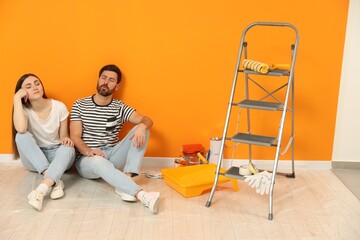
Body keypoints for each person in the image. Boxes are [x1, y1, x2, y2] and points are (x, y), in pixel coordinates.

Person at [69, 64, 160, 214]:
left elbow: (147, 119)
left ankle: (127, 177)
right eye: (103, 78)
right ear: (98, 80)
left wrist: (142, 127)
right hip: (87, 160)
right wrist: (89, 151)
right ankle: (142, 195)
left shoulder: (120, 107)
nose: (106, 82)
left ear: (117, 86)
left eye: (111, 80)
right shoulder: (80, 104)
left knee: (143, 129)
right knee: (98, 161)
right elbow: (75, 136)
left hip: (111, 154)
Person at [12, 73, 76, 211]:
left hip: (57, 155)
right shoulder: (23, 110)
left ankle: (41, 189)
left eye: (37, 83)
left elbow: (64, 136)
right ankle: (55, 180)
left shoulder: (59, 107)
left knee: (69, 148)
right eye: (28, 87)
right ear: (23, 93)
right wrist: (16, 98)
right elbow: (21, 129)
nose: (35, 87)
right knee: (21, 135)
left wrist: (66, 139)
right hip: (34, 158)